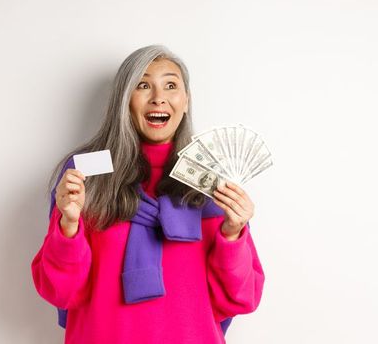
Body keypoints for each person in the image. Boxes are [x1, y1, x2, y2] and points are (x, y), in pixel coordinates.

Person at [31, 45, 265, 343]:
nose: (159, 97)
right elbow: (60, 292)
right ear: (124, 99)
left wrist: (233, 234)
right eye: (143, 85)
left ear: (186, 100)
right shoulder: (87, 173)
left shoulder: (212, 182)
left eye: (171, 85)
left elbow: (241, 298)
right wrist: (69, 226)